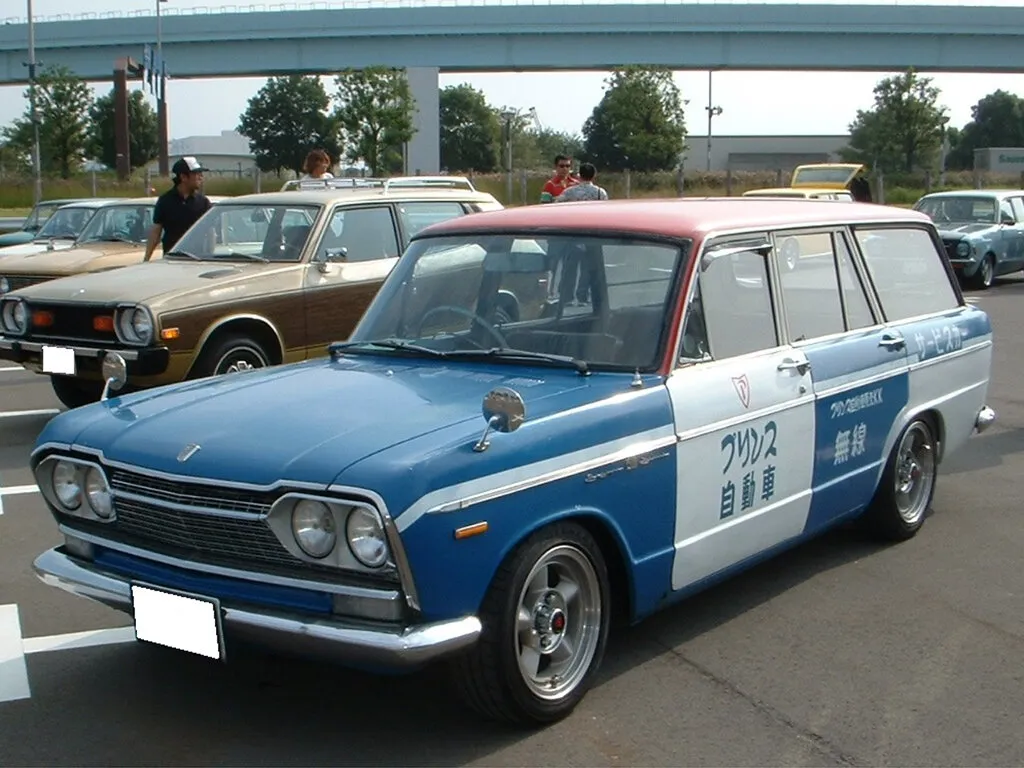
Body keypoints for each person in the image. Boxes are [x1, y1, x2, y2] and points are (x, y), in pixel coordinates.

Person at [144, 156, 213, 260]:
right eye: (196, 174)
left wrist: (210, 257)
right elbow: (156, 232)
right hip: (172, 260)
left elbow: (211, 232)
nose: (201, 177)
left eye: (201, 174)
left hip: (197, 261)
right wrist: (146, 259)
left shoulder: (203, 203)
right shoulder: (165, 201)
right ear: (183, 177)